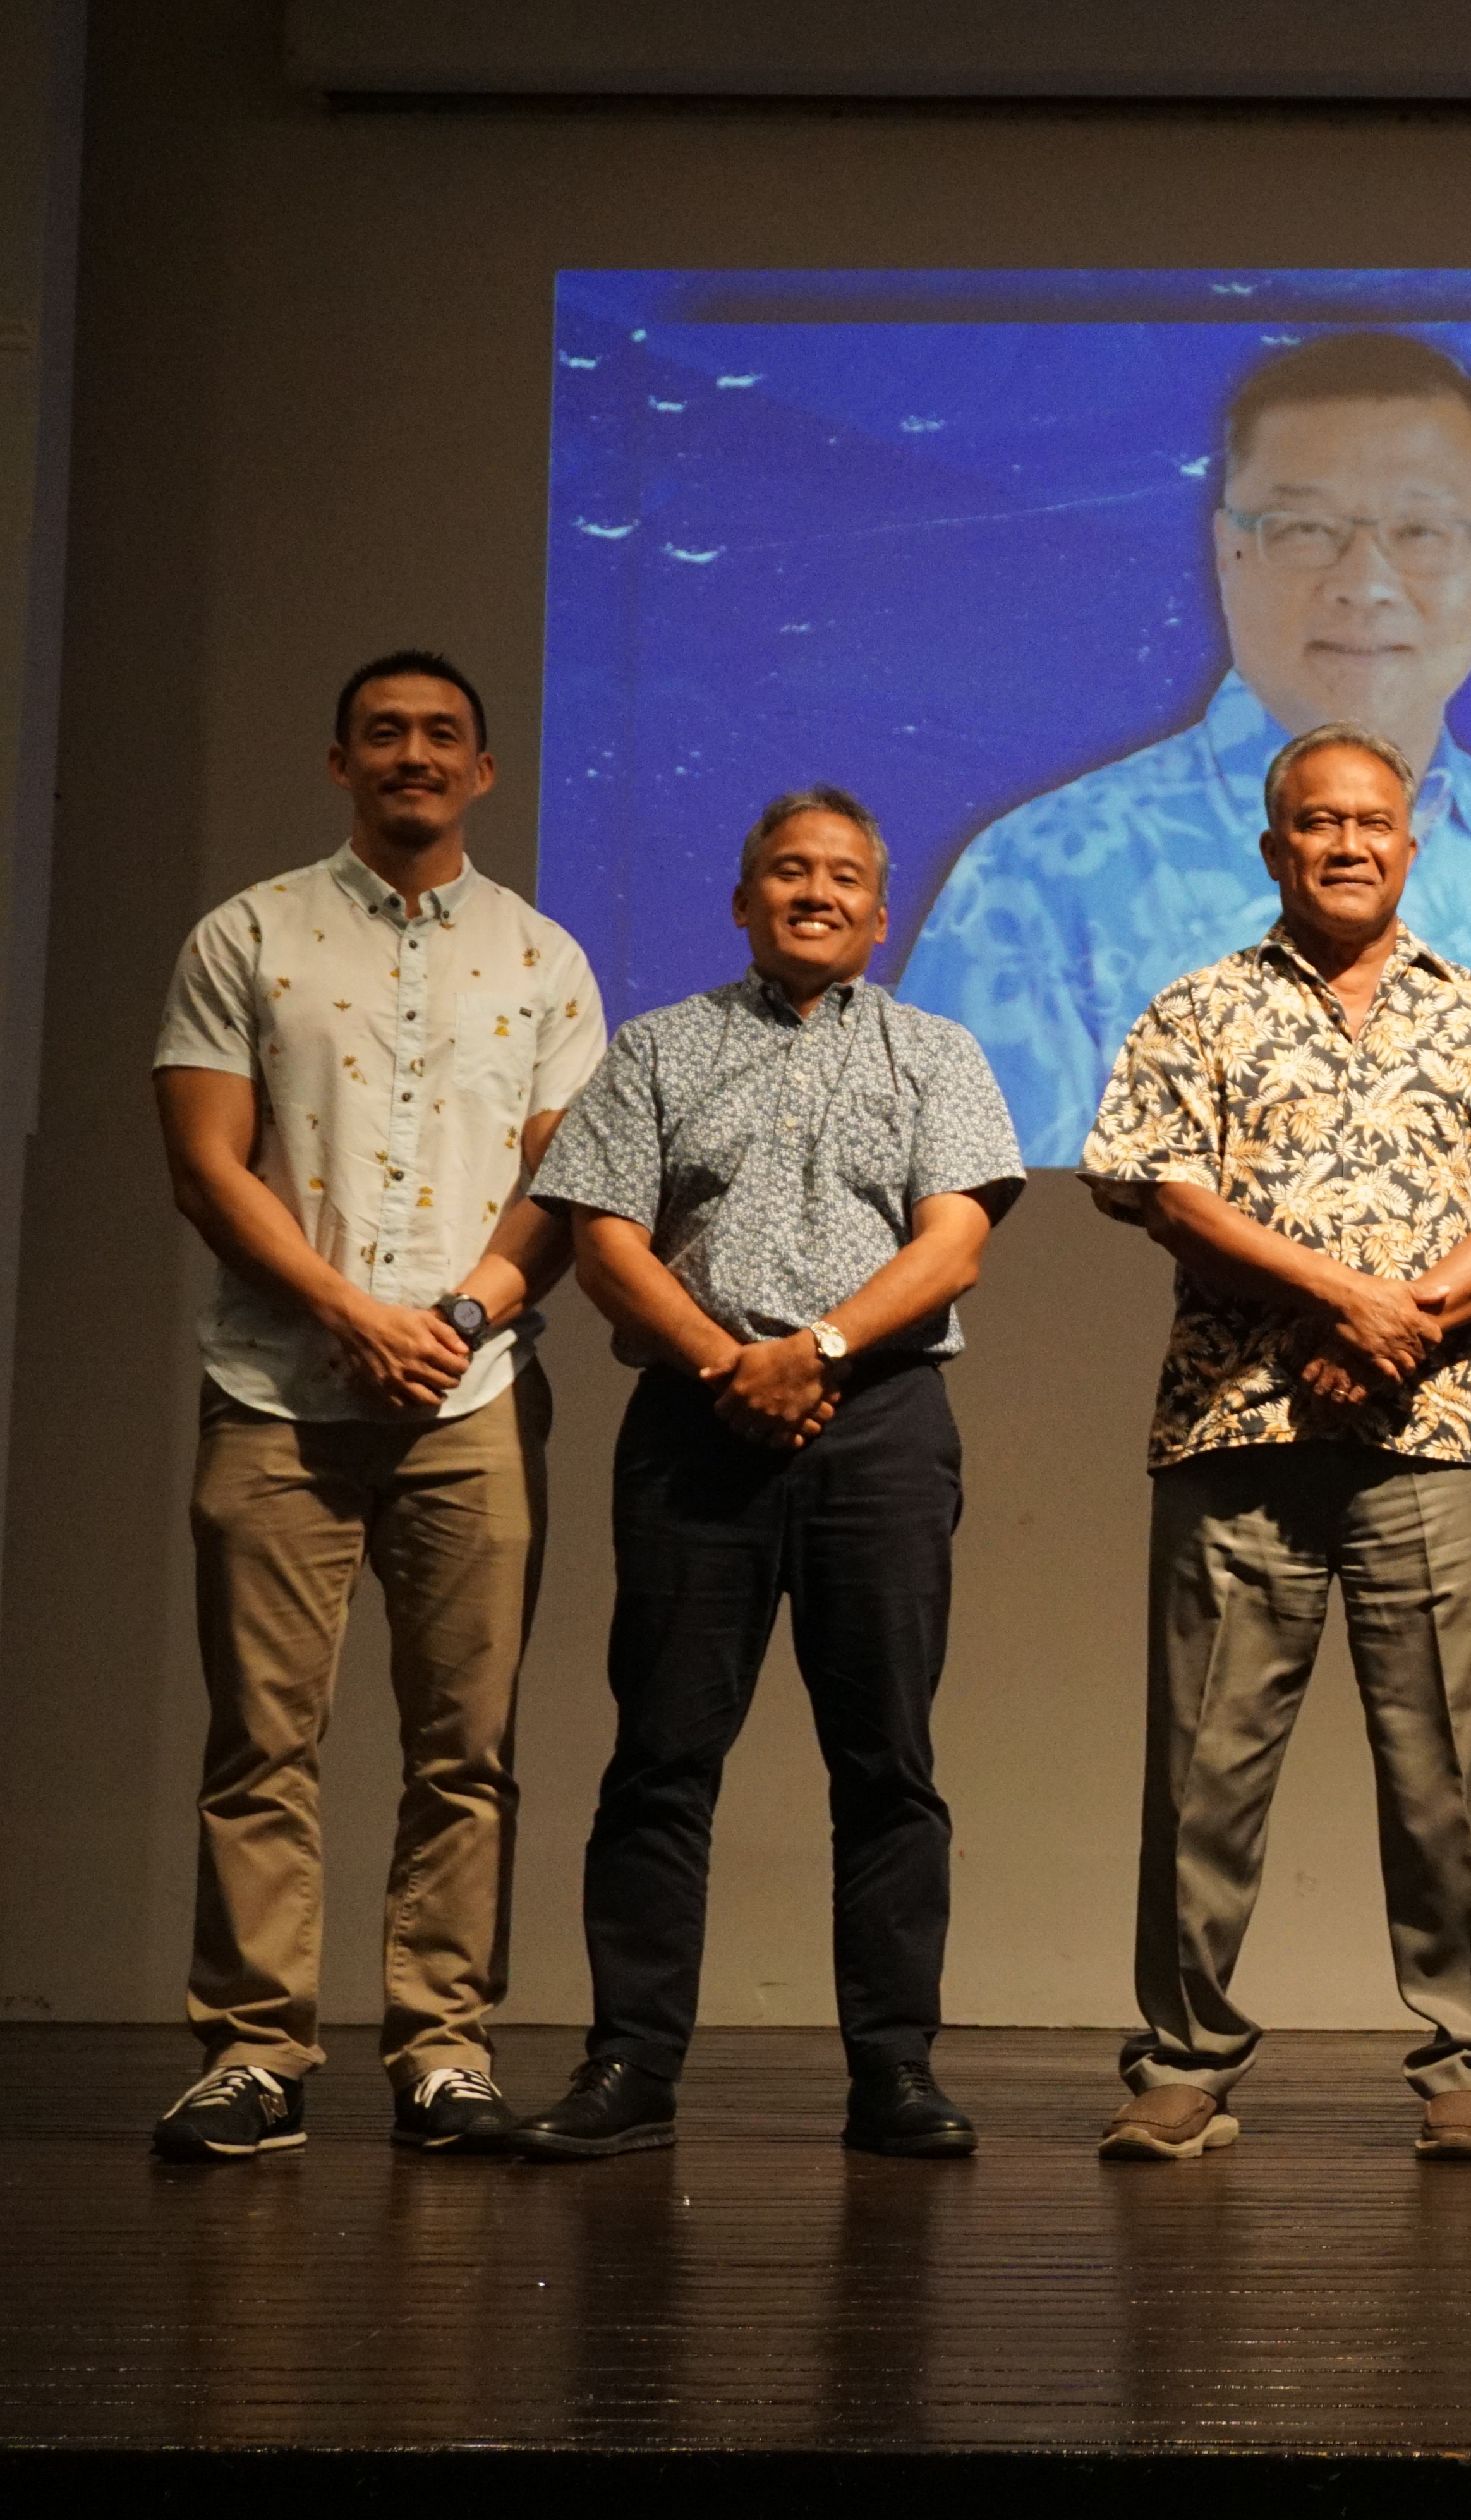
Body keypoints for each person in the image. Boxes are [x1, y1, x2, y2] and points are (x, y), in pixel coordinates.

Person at [509, 786, 1025, 2162]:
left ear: (881, 906)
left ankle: (894, 2067)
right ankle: (630, 2060)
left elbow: (956, 1237)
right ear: (743, 901)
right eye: (786, 871)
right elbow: (606, 1235)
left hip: (881, 1420)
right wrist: (727, 1364)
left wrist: (821, 1347)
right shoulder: (660, 1048)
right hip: (696, 1416)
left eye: (844, 875)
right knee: (662, 1754)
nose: (815, 892)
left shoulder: (937, 1051)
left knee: (887, 1758)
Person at [1079, 722, 1471, 2167]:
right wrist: (1344, 1301)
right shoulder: (1197, 1009)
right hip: (1239, 1423)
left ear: (1413, 842)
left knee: (1452, 1767)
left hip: (1439, 1427)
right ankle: (1181, 2059)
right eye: (1316, 822)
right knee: (1205, 1767)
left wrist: (1401, 1323)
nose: (1346, 843)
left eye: (1371, 821)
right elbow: (1166, 1191)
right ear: (1273, 843)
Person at [146, 650, 605, 2162]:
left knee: (462, 1742)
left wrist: (459, 1315)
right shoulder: (250, 932)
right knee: (261, 1739)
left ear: (483, 772)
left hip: (471, 1391)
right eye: (386, 732)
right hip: (277, 1387)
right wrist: (350, 1311)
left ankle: (443, 2046)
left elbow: (567, 1179)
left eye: (444, 736)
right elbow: (210, 1162)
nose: (415, 753)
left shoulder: (544, 958)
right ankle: (256, 2051)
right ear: (340, 760)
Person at [902, 330, 1471, 1163]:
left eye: (1422, 533)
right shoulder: (1034, 883)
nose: (1365, 583)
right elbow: (996, 1234)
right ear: (1227, 548)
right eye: (1304, 530)